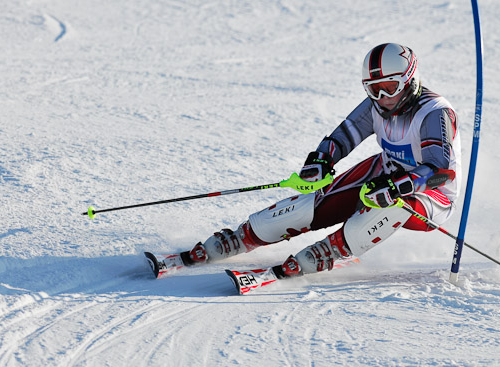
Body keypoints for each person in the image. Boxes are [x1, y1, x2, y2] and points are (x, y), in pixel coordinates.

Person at [151, 43, 461, 278]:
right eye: (373, 90)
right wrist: (322, 160)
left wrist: (399, 186)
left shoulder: (434, 113)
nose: (381, 99)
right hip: (385, 173)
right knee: (313, 204)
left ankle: (330, 250)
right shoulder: (376, 107)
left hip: (428, 196)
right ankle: (239, 238)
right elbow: (344, 135)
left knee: (391, 204)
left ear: (409, 80)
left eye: (389, 89)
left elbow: (440, 171)